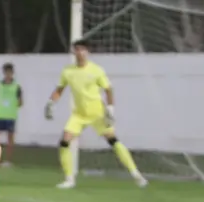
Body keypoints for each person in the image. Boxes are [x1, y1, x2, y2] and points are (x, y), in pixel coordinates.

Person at [45, 39, 148, 189]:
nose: (80, 52)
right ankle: (69, 179)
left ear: (88, 52)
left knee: (113, 141)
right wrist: (50, 103)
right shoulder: (68, 71)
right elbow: (59, 89)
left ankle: (136, 174)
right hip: (79, 114)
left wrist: (110, 109)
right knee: (64, 142)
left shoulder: (96, 70)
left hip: (97, 113)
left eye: (82, 49)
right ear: (74, 52)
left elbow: (108, 89)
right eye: (77, 49)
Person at [0, 62, 22, 167]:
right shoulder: (0, 84)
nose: (8, 74)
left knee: (10, 140)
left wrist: (15, 103)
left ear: (12, 73)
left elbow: (20, 102)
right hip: (0, 115)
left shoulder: (17, 87)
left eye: (9, 72)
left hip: (10, 116)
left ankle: (8, 161)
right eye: (6, 72)